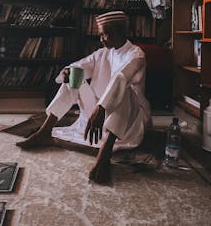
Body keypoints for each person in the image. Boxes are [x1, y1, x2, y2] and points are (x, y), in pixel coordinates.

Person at [16, 11, 151, 184]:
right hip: (97, 115)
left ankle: (105, 154)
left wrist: (102, 108)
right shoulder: (103, 53)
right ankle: (44, 131)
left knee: (125, 88)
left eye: (104, 34)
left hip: (127, 122)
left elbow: (122, 77)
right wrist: (67, 71)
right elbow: (81, 65)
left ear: (120, 32)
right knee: (75, 74)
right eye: (100, 34)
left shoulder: (136, 55)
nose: (101, 38)